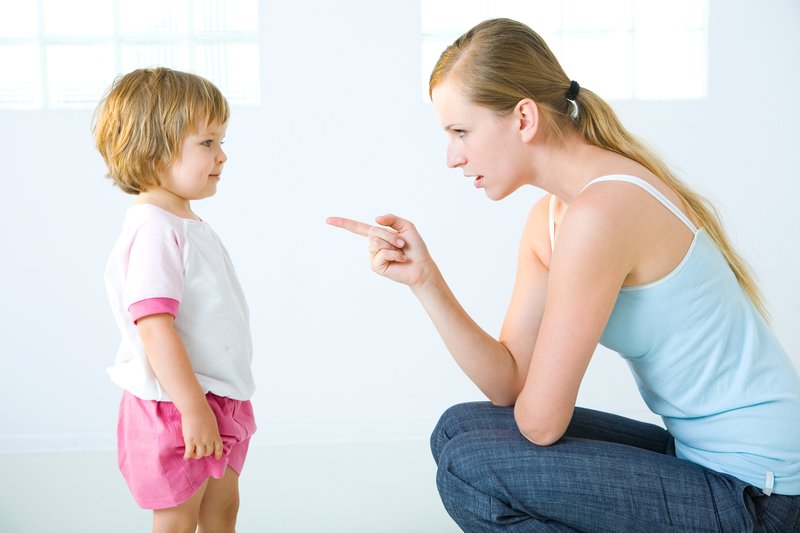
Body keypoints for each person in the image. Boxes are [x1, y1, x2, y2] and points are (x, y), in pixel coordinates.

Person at [327, 18, 800, 532]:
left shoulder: (603, 211)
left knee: (470, 464)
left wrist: (535, 400)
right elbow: (510, 385)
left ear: (523, 118)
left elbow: (541, 422)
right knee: (457, 430)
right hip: (700, 459)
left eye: (461, 131)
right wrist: (426, 281)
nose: (452, 157)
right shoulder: (552, 218)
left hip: (760, 495)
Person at [94, 67, 256, 533]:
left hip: (216, 394)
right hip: (178, 403)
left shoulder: (181, 222)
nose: (222, 155)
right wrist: (192, 409)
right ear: (153, 150)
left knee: (222, 511)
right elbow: (154, 326)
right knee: (179, 521)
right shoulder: (153, 229)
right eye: (207, 143)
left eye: (220, 141)